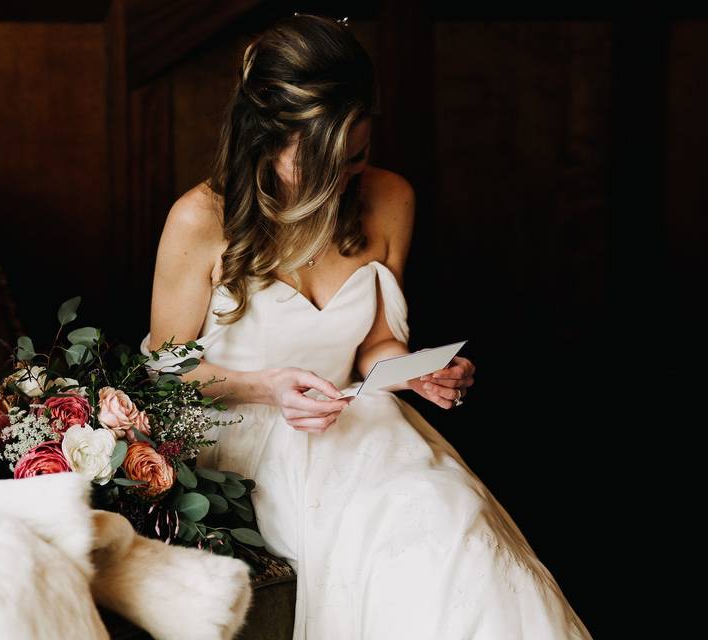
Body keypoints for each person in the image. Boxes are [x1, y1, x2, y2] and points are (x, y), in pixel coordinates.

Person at [139, 13, 591, 639]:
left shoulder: (389, 198)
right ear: (263, 138)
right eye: (319, 163)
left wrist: (417, 371)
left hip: (360, 418)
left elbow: (377, 342)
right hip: (245, 434)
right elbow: (165, 373)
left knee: (446, 514)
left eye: (354, 157)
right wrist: (268, 387)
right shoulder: (199, 219)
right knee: (381, 535)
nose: (339, 180)